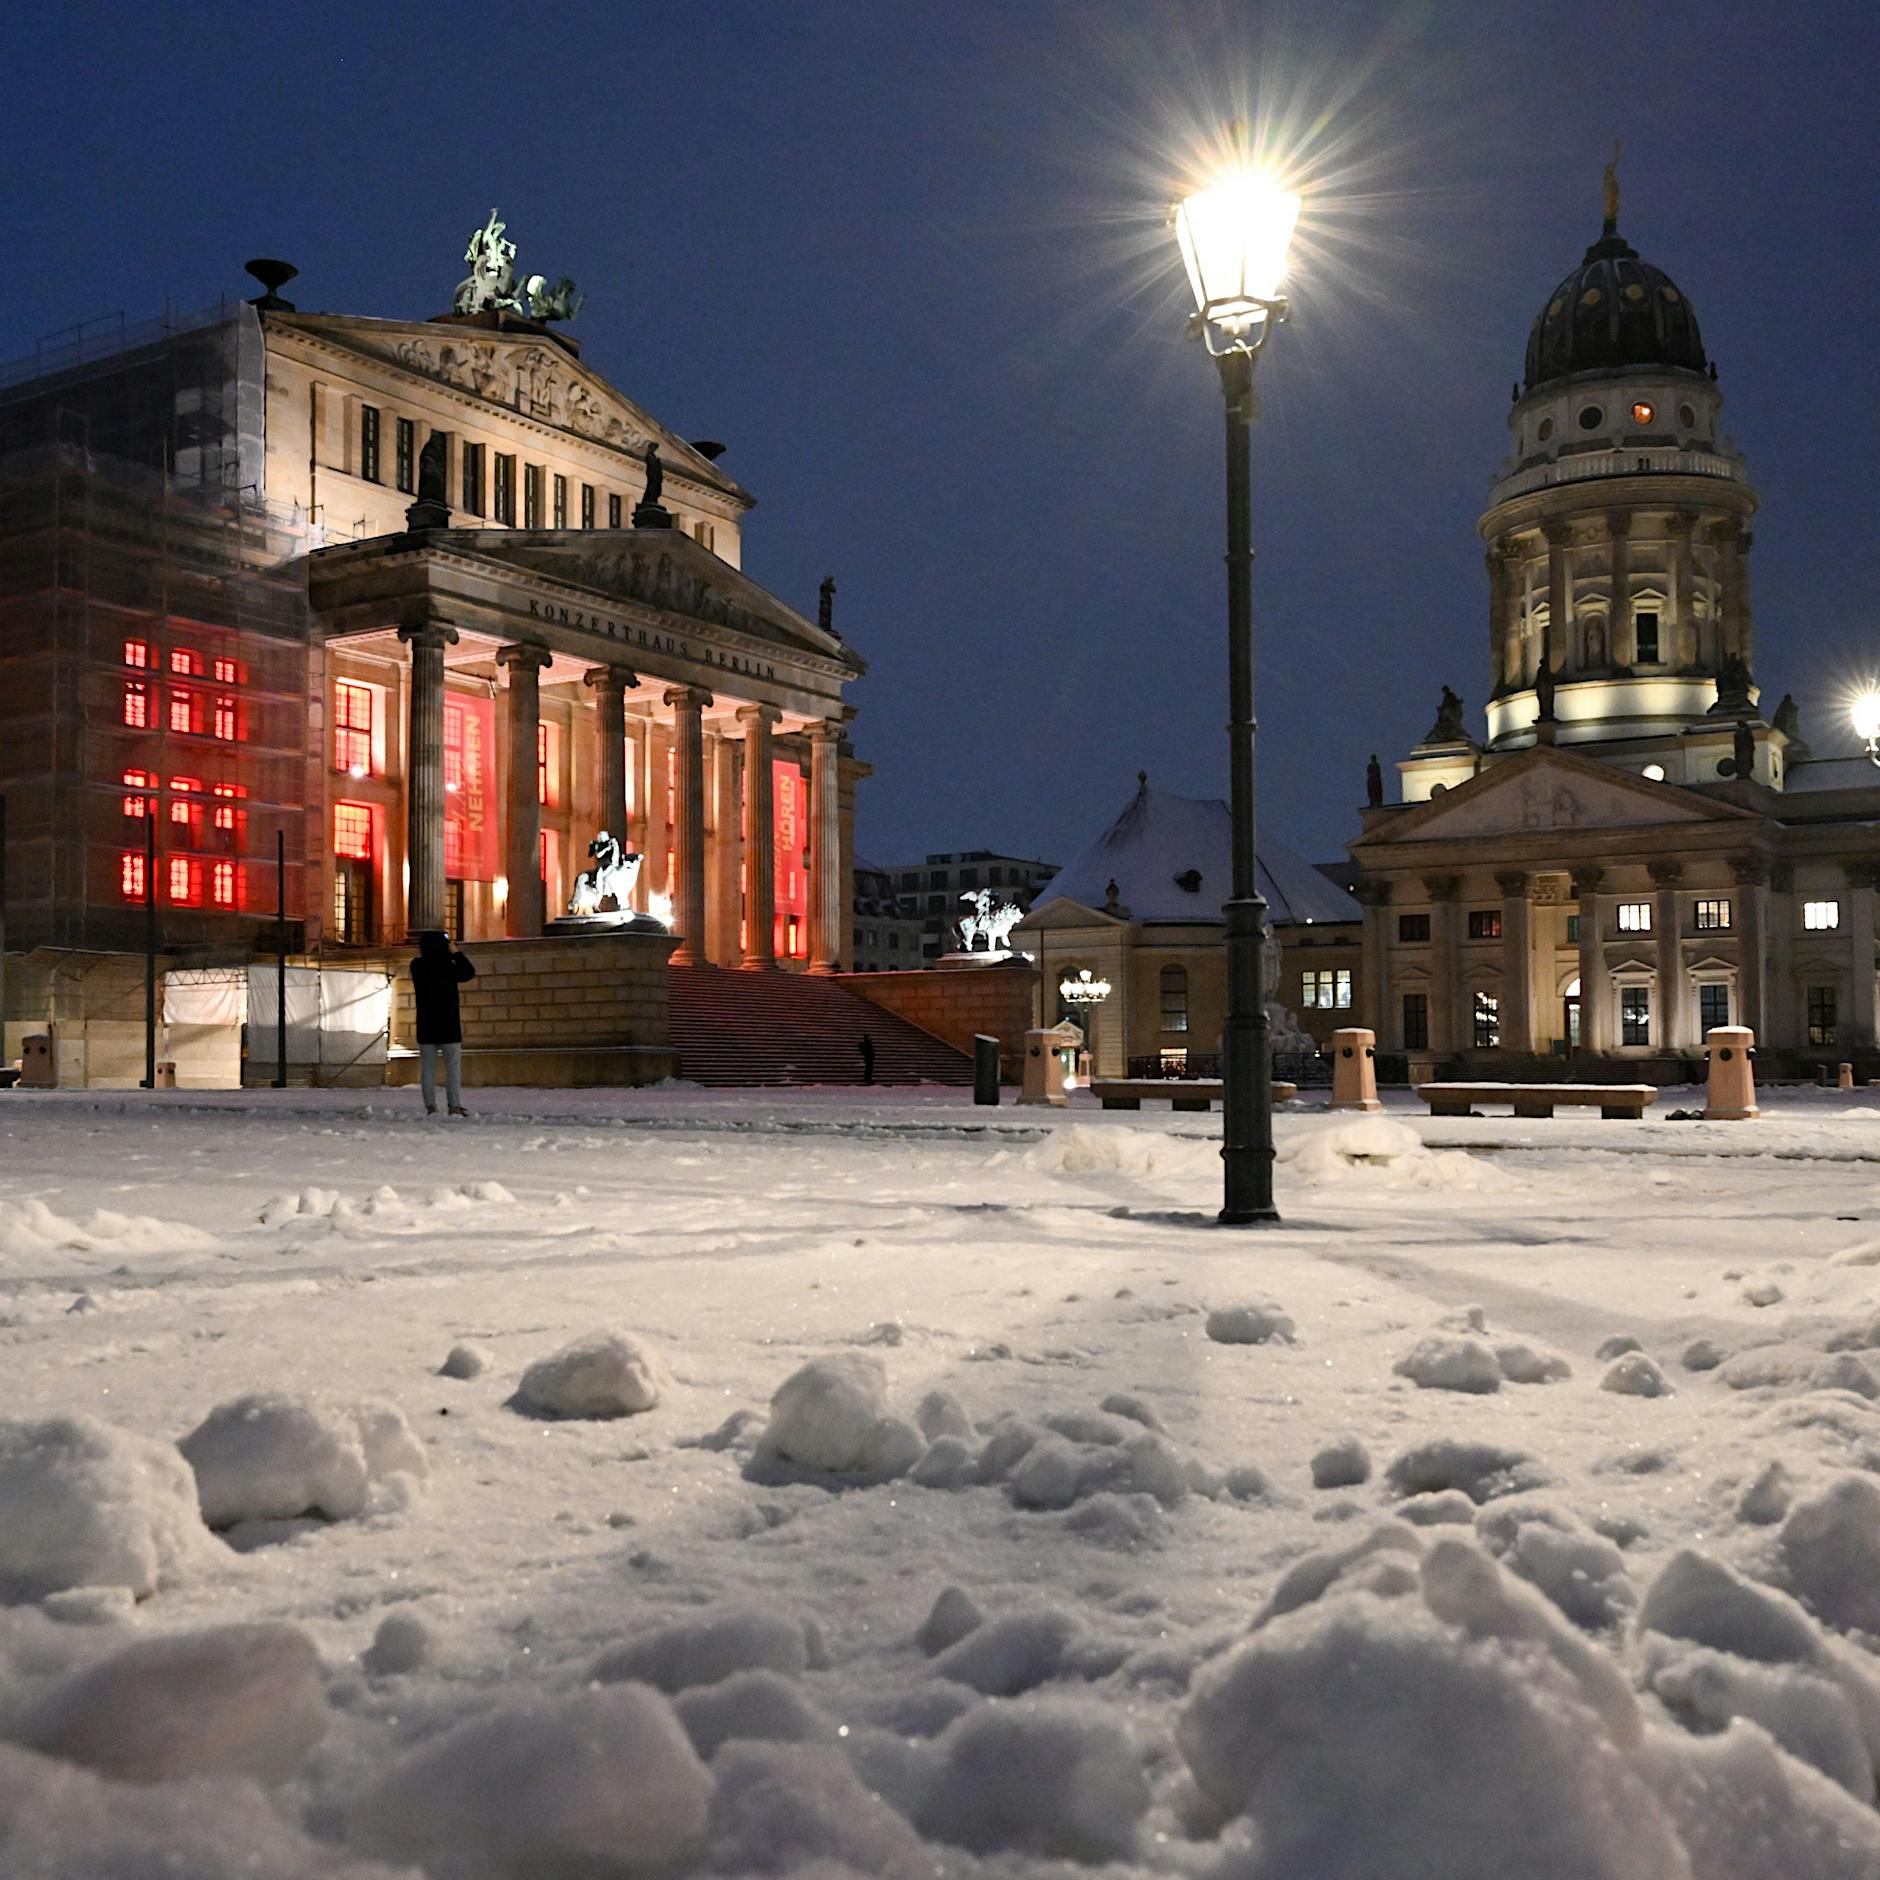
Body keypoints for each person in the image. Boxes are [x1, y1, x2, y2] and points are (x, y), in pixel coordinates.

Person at [411, 930, 476, 1116]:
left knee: (427, 1069)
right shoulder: (449, 965)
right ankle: (454, 1105)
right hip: (449, 1025)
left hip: (426, 1025)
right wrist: (456, 952)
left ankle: (430, 1106)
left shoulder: (417, 965)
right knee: (453, 1068)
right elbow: (469, 972)